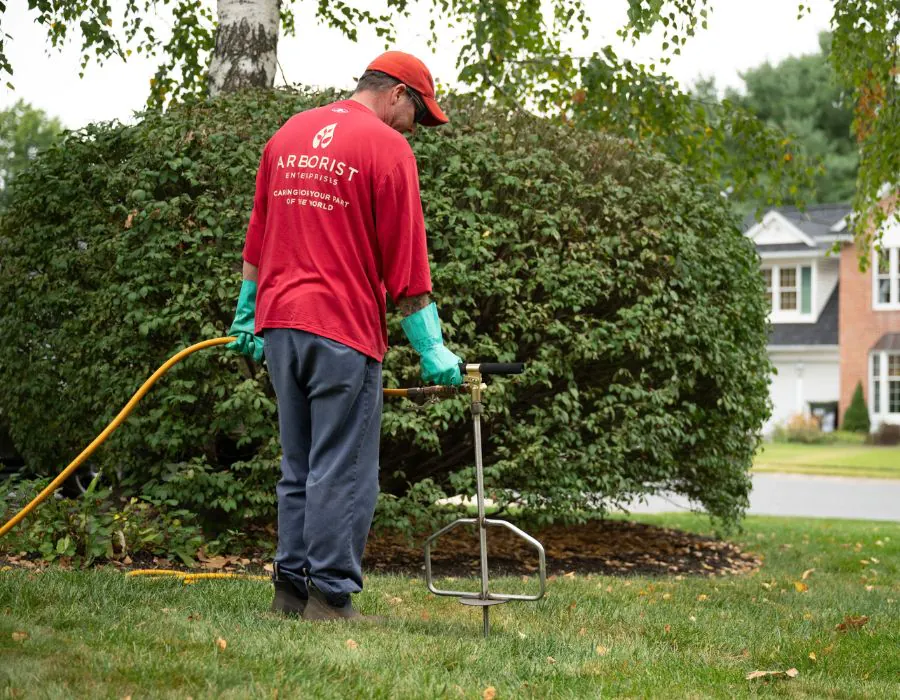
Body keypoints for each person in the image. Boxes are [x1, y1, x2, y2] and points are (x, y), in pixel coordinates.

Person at [226, 51, 463, 622]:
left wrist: (245, 313)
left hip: (280, 326)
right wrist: (430, 346)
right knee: (343, 467)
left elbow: (258, 237)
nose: (416, 129)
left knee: (298, 463)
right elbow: (406, 262)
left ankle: (289, 591)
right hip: (342, 333)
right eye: (417, 114)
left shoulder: (288, 134)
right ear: (397, 94)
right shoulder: (387, 149)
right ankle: (330, 598)